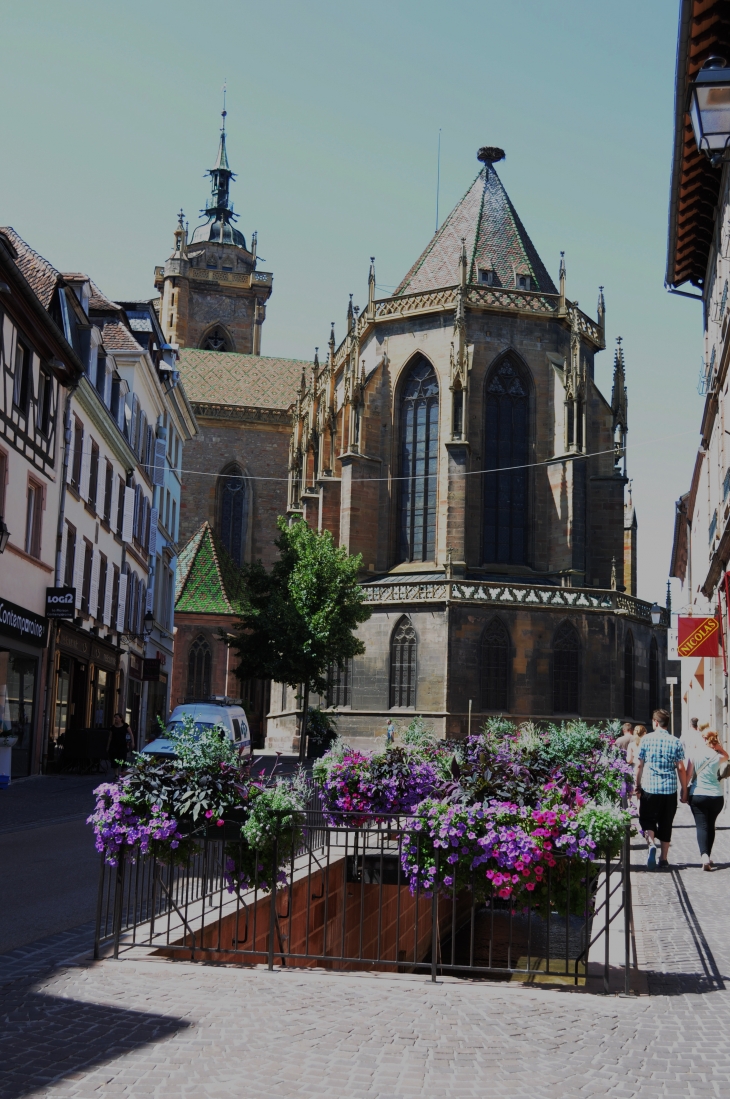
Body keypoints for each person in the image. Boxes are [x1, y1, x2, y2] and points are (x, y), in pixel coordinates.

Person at [635, 709, 687, 870]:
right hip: (669, 790)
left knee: (647, 819)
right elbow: (681, 767)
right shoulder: (675, 741)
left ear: (656, 722)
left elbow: (639, 765)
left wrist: (637, 785)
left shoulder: (646, 740)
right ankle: (663, 859)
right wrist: (684, 789)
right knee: (666, 822)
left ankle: (651, 844)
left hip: (650, 788)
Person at [685, 729, 728, 870]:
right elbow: (727, 756)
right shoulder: (717, 755)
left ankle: (704, 857)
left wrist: (684, 791)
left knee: (701, 825)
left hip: (698, 794)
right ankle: (707, 856)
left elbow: (688, 775)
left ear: (702, 739)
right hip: (716, 796)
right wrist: (718, 747)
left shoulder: (694, 753)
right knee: (710, 825)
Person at [107, 713, 134, 777]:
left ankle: (122, 772)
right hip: (114, 745)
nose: (115, 719)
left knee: (123, 759)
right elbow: (110, 737)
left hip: (123, 745)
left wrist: (132, 742)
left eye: (116, 717)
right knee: (114, 759)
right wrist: (108, 746)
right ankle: (116, 774)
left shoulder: (125, 726)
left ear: (120, 718)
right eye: (115, 718)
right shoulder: (113, 727)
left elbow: (131, 734)